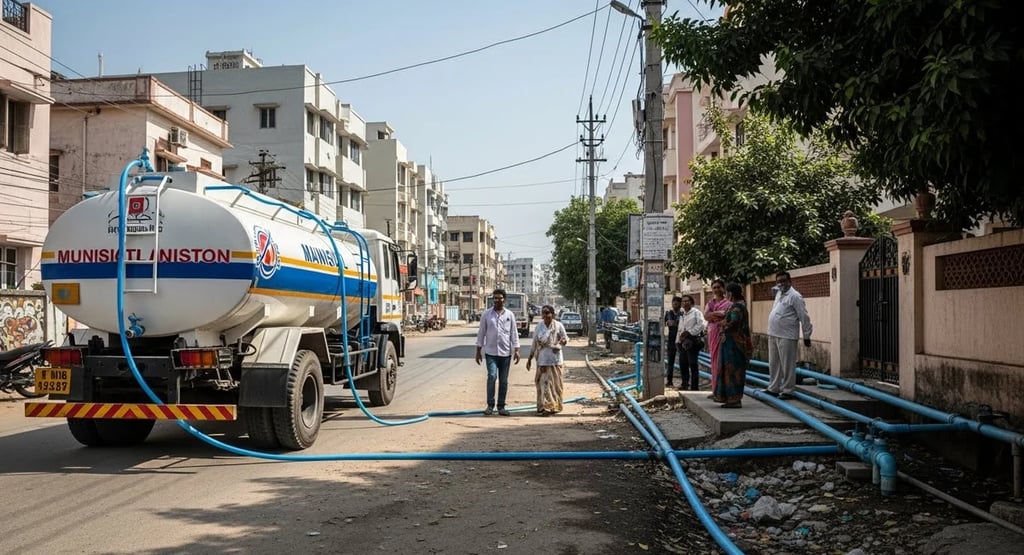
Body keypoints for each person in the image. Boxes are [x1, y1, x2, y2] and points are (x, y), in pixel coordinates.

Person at [763, 271, 813, 400]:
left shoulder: (795, 296)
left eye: (783, 281)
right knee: (773, 363)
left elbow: (804, 316)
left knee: (787, 364)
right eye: (778, 281)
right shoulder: (779, 294)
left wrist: (807, 335)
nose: (781, 284)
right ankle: (773, 388)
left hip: (787, 335)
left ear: (790, 281)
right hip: (773, 333)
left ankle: (788, 390)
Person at [475, 288, 521, 416]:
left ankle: (501, 406)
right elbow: (481, 333)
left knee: (503, 380)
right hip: (491, 353)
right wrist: (478, 351)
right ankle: (490, 405)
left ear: (504, 300)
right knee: (492, 376)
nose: (497, 300)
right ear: (492, 300)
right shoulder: (486, 314)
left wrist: (516, 350)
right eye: (495, 298)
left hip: (506, 353)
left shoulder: (509, 315)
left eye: (500, 298)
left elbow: (514, 333)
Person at [712, 283, 752, 408]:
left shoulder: (737, 307)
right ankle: (729, 398)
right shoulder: (737, 306)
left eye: (727, 292)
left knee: (733, 371)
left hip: (735, 345)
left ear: (731, 293)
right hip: (731, 344)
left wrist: (723, 323)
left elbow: (733, 322)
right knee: (729, 370)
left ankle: (734, 399)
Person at [526, 305, 568, 416]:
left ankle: (555, 406)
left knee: (556, 385)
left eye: (547, 313)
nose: (545, 315)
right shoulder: (539, 327)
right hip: (542, 360)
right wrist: (529, 358)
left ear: (553, 314)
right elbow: (534, 342)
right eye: (543, 313)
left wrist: (562, 341)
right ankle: (542, 407)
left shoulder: (559, 326)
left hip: (555, 360)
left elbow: (565, 339)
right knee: (542, 384)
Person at [703, 279, 732, 397]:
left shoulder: (728, 304)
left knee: (722, 361)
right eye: (714, 287)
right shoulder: (710, 303)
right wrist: (718, 314)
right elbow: (706, 316)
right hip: (713, 334)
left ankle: (723, 390)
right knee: (714, 361)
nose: (716, 289)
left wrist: (714, 314)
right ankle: (715, 389)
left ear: (723, 288)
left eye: (718, 287)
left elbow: (727, 316)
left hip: (723, 334)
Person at [675, 295, 707, 391]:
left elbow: (702, 324)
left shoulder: (696, 313)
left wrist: (690, 332)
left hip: (693, 342)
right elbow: (680, 329)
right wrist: (677, 341)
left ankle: (694, 386)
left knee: (693, 364)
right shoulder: (682, 314)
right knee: (683, 364)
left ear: (691, 302)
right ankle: (685, 384)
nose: (685, 303)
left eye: (687, 301)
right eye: (683, 301)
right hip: (682, 343)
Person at [663, 296, 683, 388]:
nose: (675, 304)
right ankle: (669, 381)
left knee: (683, 361)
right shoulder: (668, 313)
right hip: (671, 339)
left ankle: (684, 382)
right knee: (670, 361)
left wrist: (673, 323)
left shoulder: (683, 314)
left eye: (677, 302)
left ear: (680, 304)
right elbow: (665, 323)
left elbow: (679, 324)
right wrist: (671, 323)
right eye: (673, 302)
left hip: (681, 339)